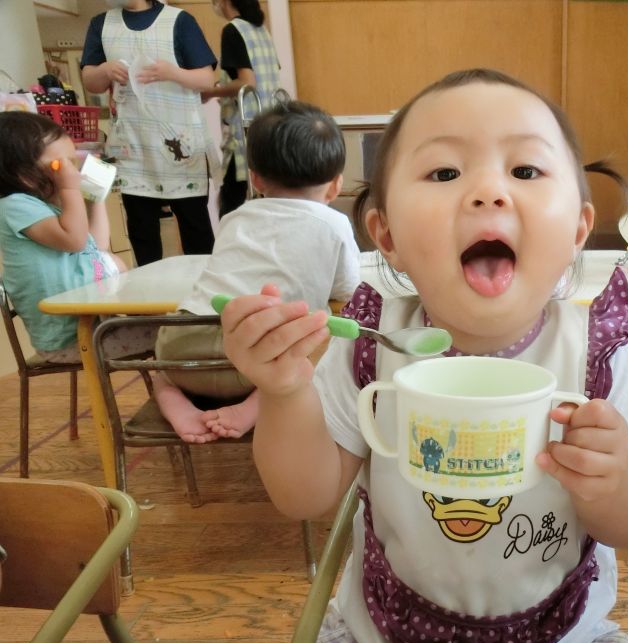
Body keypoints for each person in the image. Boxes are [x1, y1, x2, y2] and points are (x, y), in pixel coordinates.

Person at [219, 69, 628, 643]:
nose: (489, 193)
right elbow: (305, 495)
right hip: (382, 642)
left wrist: (612, 484)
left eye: (526, 171)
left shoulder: (594, 355)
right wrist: (281, 391)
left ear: (579, 231)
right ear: (387, 235)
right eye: (445, 173)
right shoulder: (369, 347)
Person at [151, 98, 361, 444]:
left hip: (182, 347)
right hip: (259, 358)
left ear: (255, 178)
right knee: (317, 355)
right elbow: (347, 289)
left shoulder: (235, 218)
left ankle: (176, 403)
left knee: (159, 371)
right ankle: (253, 407)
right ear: (337, 184)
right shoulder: (334, 223)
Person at [0, 111, 154, 363]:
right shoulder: (15, 206)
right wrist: (69, 188)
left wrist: (96, 198)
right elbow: (75, 241)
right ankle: (175, 394)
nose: (73, 172)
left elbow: (95, 246)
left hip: (95, 325)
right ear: (25, 176)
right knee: (171, 335)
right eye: (62, 166)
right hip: (72, 339)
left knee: (171, 326)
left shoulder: (50, 208)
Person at [80, 0, 218, 267]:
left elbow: (207, 79)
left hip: (180, 145)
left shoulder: (179, 20)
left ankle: (203, 292)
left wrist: (172, 73)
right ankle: (146, 297)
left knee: (195, 226)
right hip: (133, 145)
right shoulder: (101, 24)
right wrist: (105, 70)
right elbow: (90, 81)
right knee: (142, 230)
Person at [200, 0, 281, 218]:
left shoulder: (233, 31)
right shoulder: (261, 31)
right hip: (272, 128)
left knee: (230, 209)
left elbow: (247, 83)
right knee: (268, 199)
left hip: (245, 132)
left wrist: (210, 92)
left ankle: (229, 250)